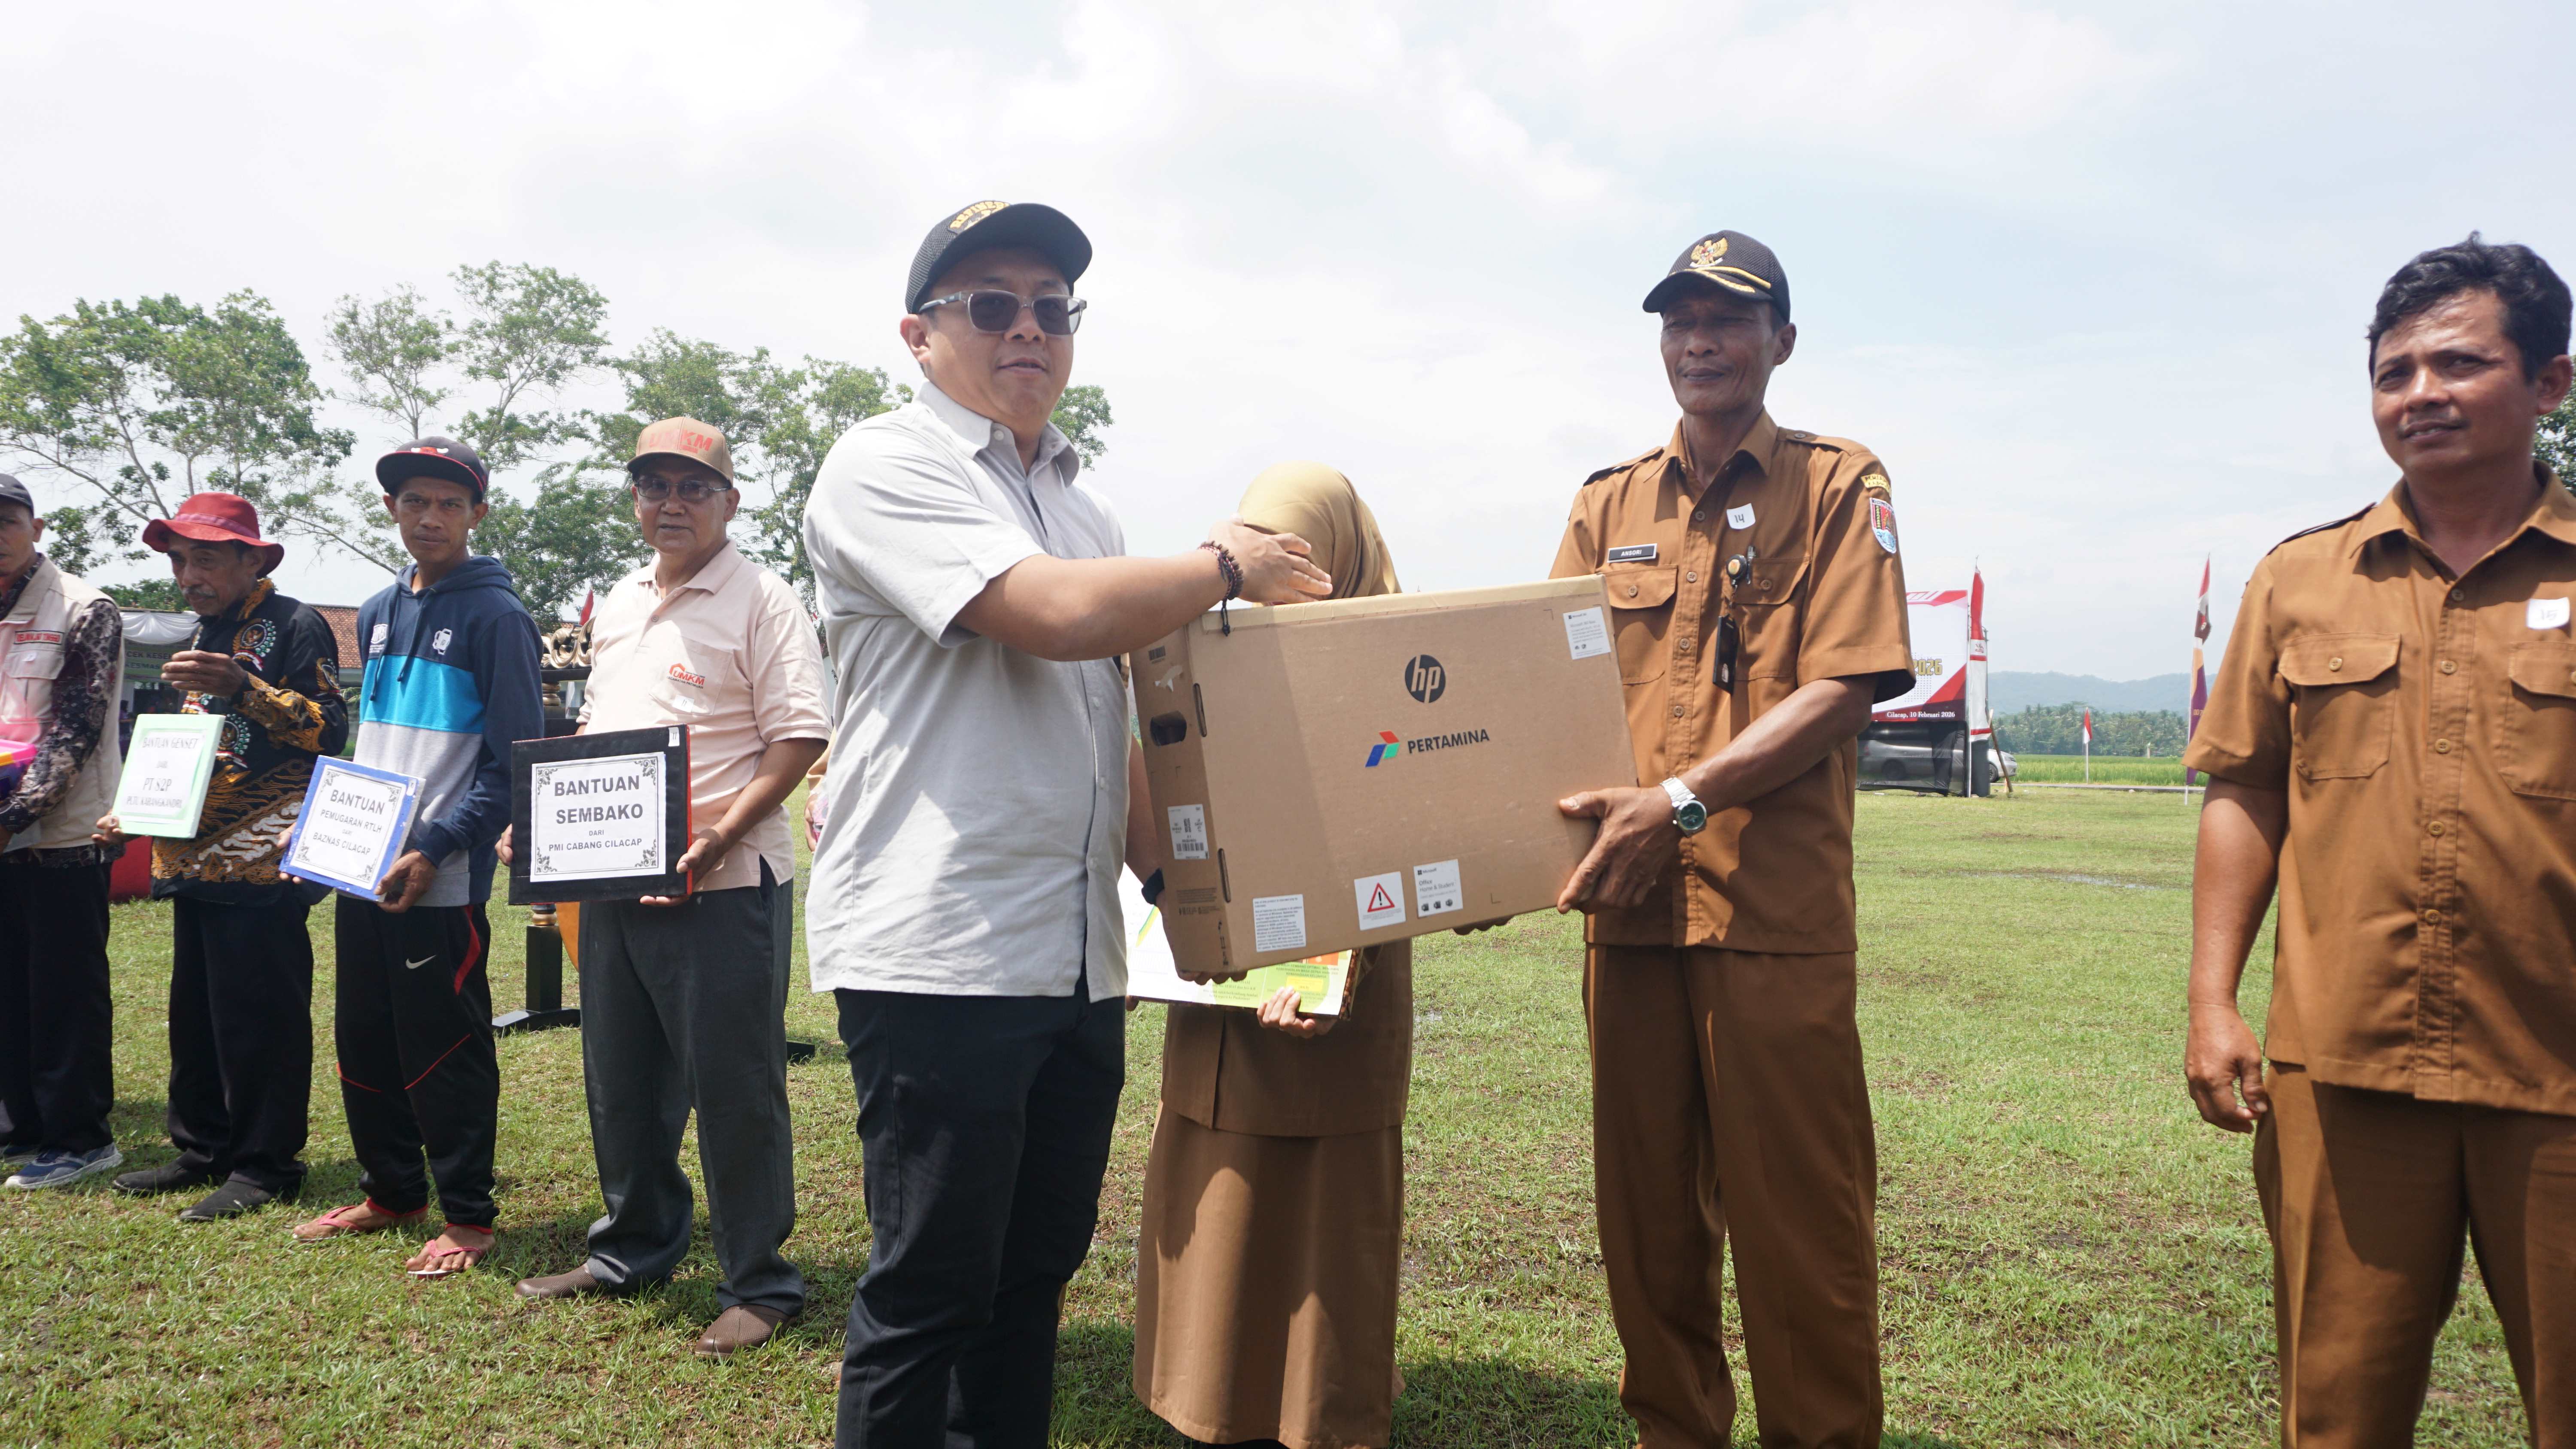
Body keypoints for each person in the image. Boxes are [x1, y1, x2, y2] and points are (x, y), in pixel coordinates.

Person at [801, 199, 1330, 1447]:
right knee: (930, 1290)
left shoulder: (1085, 514)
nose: (1028, 328)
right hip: (944, 953)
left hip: (1076, 958)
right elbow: (1052, 616)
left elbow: (1114, 735)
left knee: (1031, 1277)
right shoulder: (885, 465)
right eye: (992, 305)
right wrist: (1225, 564)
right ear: (919, 336)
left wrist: (1185, 893)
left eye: (1052, 307)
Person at [2183, 234, 2576, 1448]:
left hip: (2561, 1077)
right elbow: (2246, 793)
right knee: (2337, 1414)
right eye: (2393, 371)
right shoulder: (2302, 580)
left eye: (2460, 363)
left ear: (2551, 383)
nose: (2420, 395)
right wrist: (2212, 1000)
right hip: (2342, 1073)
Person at [1551, 232, 1913, 1449]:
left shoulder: (1839, 484)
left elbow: (1846, 687)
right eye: (1679, 321)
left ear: (1782, 344)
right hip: (1630, 923)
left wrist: (1685, 803)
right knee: (1647, 1235)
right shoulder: (1610, 503)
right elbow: (1544, 698)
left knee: (1799, 1241)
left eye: (1729, 319)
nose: (1700, 340)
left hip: (1773, 926)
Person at [509, 418, 830, 1360]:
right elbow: (604, 732)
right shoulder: (617, 601)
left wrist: (720, 833)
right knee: (621, 1074)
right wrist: (546, 814)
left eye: (695, 486)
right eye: (655, 485)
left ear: (731, 501)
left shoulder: (765, 599)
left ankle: (758, 1280)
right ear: (636, 499)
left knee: (733, 1085)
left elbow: (800, 736)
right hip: (610, 877)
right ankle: (632, 1249)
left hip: (723, 883)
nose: (673, 503)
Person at [1132, 461, 1414, 1449]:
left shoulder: (1395, 666)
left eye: (1305, 551)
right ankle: (1203, 1406)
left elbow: (1406, 839)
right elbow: (1163, 806)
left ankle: (1317, 1418)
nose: (1286, 574)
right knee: (1215, 1195)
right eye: (1266, 550)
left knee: (1321, 1223)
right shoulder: (1207, 651)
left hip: (1339, 993)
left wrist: (1342, 966)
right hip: (1215, 989)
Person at [290, 438, 541, 1276]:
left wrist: (433, 849)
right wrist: (329, 839)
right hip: (365, 865)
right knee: (364, 1035)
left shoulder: (497, 616)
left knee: (444, 1043)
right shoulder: (376, 609)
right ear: (393, 510)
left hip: (440, 878)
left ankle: (467, 1214)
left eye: (448, 503)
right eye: (414, 502)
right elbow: (375, 748)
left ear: (476, 513)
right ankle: (392, 1190)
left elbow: (513, 765)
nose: (429, 517)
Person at [102, 493, 348, 1220]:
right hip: (190, 857)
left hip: (261, 860)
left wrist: (245, 687)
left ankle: (266, 1165)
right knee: (197, 1014)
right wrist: (134, 812)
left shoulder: (295, 624)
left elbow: (330, 728)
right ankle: (203, 1147)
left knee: (261, 1017)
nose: (189, 573)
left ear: (252, 559)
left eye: (206, 557)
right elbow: (187, 747)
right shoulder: (201, 630)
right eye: (179, 560)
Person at [0, 473, 128, 1191]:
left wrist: (12, 818)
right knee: (7, 986)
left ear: (37, 527)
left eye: (6, 521)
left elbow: (75, 730)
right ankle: (20, 1126)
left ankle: (80, 1137)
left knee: (63, 989)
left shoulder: (87, 608)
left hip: (65, 834)